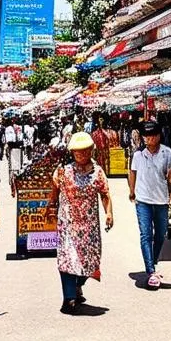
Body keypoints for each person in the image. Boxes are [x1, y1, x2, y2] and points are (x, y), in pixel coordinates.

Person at [48, 132, 113, 314]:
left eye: (85, 151)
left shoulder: (98, 172)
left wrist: (109, 213)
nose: (82, 155)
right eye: (78, 152)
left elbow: (105, 194)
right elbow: (54, 192)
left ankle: (77, 285)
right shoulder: (63, 171)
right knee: (67, 259)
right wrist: (51, 207)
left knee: (90, 260)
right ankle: (68, 299)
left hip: (89, 226)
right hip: (67, 224)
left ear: (91, 150)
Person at [128, 121, 171, 290]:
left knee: (161, 234)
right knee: (146, 234)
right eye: (146, 136)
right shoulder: (138, 155)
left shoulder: (167, 152)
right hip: (143, 200)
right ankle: (150, 270)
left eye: (152, 136)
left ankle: (152, 261)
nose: (149, 139)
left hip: (161, 200)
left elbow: (170, 173)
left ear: (158, 136)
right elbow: (132, 172)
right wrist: (132, 191)